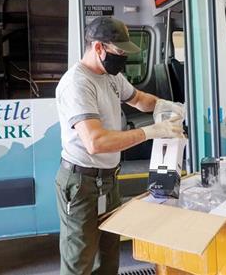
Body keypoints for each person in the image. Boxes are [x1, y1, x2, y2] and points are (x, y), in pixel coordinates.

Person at [55, 16, 184, 275]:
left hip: (108, 181)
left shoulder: (111, 76)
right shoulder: (77, 84)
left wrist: (165, 106)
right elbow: (96, 141)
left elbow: (138, 99)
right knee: (79, 261)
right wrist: (151, 131)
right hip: (82, 184)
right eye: (119, 51)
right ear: (99, 48)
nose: (123, 57)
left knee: (108, 257)